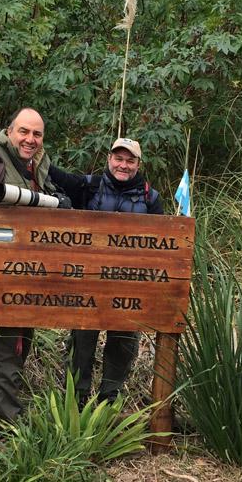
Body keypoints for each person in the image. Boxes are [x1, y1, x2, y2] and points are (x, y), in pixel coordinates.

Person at [0, 108, 64, 438]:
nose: (30, 139)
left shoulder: (39, 166)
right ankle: (10, 423)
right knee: (9, 342)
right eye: (24, 131)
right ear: (9, 132)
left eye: (37, 134)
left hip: (29, 271)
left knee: (19, 341)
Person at [49, 137, 164, 407]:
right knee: (82, 341)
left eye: (130, 160)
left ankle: (108, 402)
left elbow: (161, 243)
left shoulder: (151, 198)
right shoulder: (89, 186)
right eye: (118, 159)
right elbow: (56, 175)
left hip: (129, 287)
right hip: (88, 284)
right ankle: (76, 402)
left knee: (122, 344)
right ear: (109, 159)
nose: (123, 165)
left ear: (138, 164)